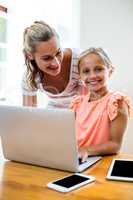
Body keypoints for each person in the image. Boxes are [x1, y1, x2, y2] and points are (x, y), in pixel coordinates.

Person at [70, 47, 131, 161]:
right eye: (86, 71)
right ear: (80, 76)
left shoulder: (117, 102)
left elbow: (115, 145)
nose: (92, 75)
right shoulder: (77, 103)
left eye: (98, 69)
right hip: (78, 160)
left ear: (110, 71)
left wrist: (86, 150)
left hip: (103, 161)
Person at [22, 21, 84, 108]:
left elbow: (91, 104)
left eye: (58, 52)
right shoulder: (30, 76)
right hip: (53, 113)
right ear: (29, 55)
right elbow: (28, 113)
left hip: (80, 111)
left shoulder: (80, 60)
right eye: (46, 58)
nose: (56, 63)